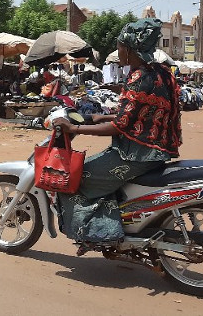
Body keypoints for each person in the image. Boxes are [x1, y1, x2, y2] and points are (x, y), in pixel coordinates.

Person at [53, 18, 182, 254]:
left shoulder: (139, 77)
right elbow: (140, 117)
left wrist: (75, 129)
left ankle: (100, 234)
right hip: (158, 151)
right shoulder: (162, 73)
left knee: (75, 177)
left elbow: (120, 128)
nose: (118, 51)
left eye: (120, 46)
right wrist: (102, 118)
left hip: (134, 155)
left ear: (130, 48)